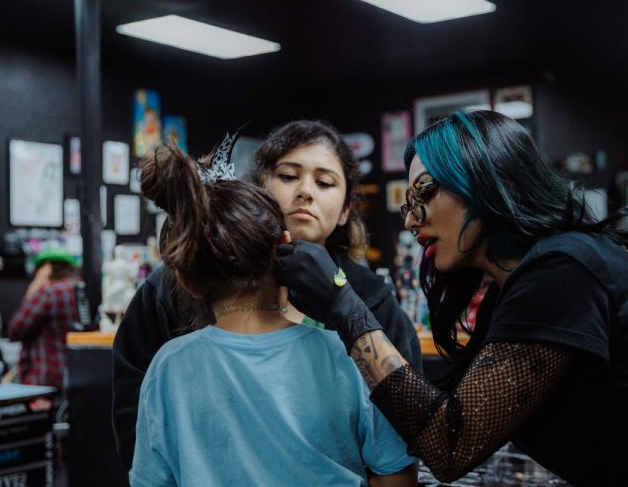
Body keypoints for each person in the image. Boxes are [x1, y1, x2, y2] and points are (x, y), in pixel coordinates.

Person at [274, 110, 628, 486]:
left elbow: (449, 446)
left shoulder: (563, 270)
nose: (410, 218)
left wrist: (342, 305)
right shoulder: (522, 283)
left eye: (425, 192)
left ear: (485, 182)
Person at [112, 120, 422, 470]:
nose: (306, 191)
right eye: (288, 176)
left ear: (345, 211)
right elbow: (139, 424)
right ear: (260, 187)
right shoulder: (167, 291)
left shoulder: (371, 299)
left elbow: (405, 417)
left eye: (324, 182)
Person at [8, 249, 81, 389]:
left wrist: (31, 293)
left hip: (45, 380)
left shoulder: (48, 293)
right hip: (76, 376)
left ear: (47, 268)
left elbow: (15, 329)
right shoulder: (81, 289)